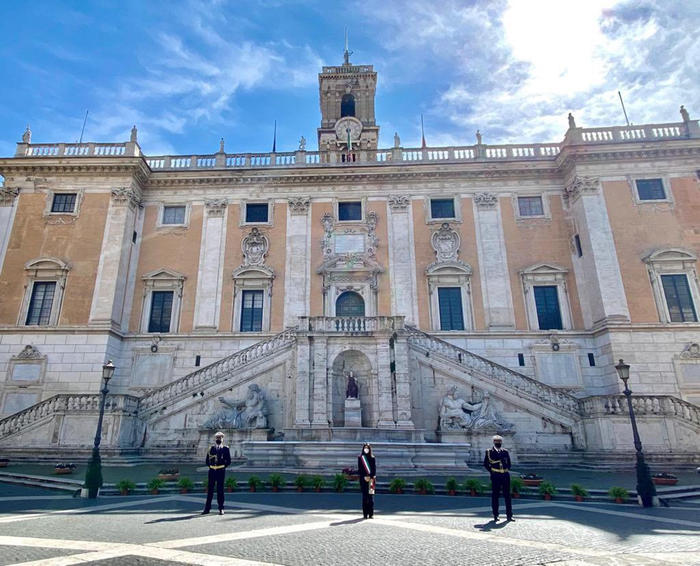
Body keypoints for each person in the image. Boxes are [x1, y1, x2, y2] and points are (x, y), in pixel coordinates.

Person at [483, 434, 513, 522]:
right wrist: (492, 471)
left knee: (507, 496)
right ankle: (496, 515)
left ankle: (509, 515)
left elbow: (509, 463)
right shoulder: (489, 451)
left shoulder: (505, 451)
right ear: (494, 442)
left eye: (499, 441)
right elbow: (485, 464)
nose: (498, 443)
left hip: (505, 475)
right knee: (495, 496)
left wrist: (506, 469)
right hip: (495, 475)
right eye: (496, 441)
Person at [202, 431, 231, 515]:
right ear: (215, 439)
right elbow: (207, 461)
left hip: (221, 471)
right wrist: (211, 467)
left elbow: (228, 461)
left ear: (223, 439)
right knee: (210, 490)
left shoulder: (226, 449)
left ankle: (221, 508)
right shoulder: (211, 448)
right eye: (217, 438)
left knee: (220, 490)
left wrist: (222, 467)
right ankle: (207, 509)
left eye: (220, 438)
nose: (218, 439)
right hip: (212, 471)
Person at [358, 443, 376, 519]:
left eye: (367, 448)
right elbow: (360, 469)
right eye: (365, 448)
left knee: (371, 498)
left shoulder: (372, 458)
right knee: (365, 497)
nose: (366, 449)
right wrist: (364, 477)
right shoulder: (360, 458)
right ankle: (365, 514)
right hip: (363, 479)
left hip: (371, 480)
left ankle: (371, 514)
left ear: (369, 449)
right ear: (363, 449)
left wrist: (370, 476)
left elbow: (374, 469)